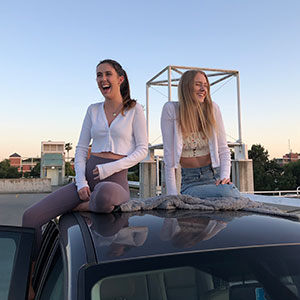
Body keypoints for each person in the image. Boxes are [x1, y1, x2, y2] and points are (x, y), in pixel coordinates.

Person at [22, 59, 148, 299]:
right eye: (98, 75)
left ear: (120, 79)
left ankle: (76, 208)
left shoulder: (134, 110)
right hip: (87, 177)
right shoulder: (92, 110)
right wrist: (80, 183)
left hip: (115, 181)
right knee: (30, 217)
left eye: (108, 74)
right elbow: (81, 149)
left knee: (104, 196)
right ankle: (30, 284)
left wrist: (110, 169)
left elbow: (142, 150)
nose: (103, 79)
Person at [160, 70, 240, 198]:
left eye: (206, 85)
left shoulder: (213, 108)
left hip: (215, 177)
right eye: (198, 84)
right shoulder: (171, 110)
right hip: (190, 183)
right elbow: (169, 158)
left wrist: (225, 177)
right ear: (186, 87)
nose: (203, 89)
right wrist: (172, 196)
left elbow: (224, 150)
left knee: (228, 193)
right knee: (229, 194)